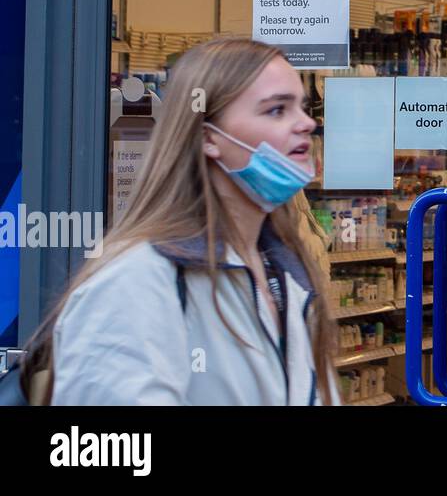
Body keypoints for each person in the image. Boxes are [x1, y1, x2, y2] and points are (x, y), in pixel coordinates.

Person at [15, 37, 338, 405]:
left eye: (301, 106)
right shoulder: (136, 283)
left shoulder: (285, 276)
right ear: (208, 137)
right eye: (276, 110)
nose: (306, 124)